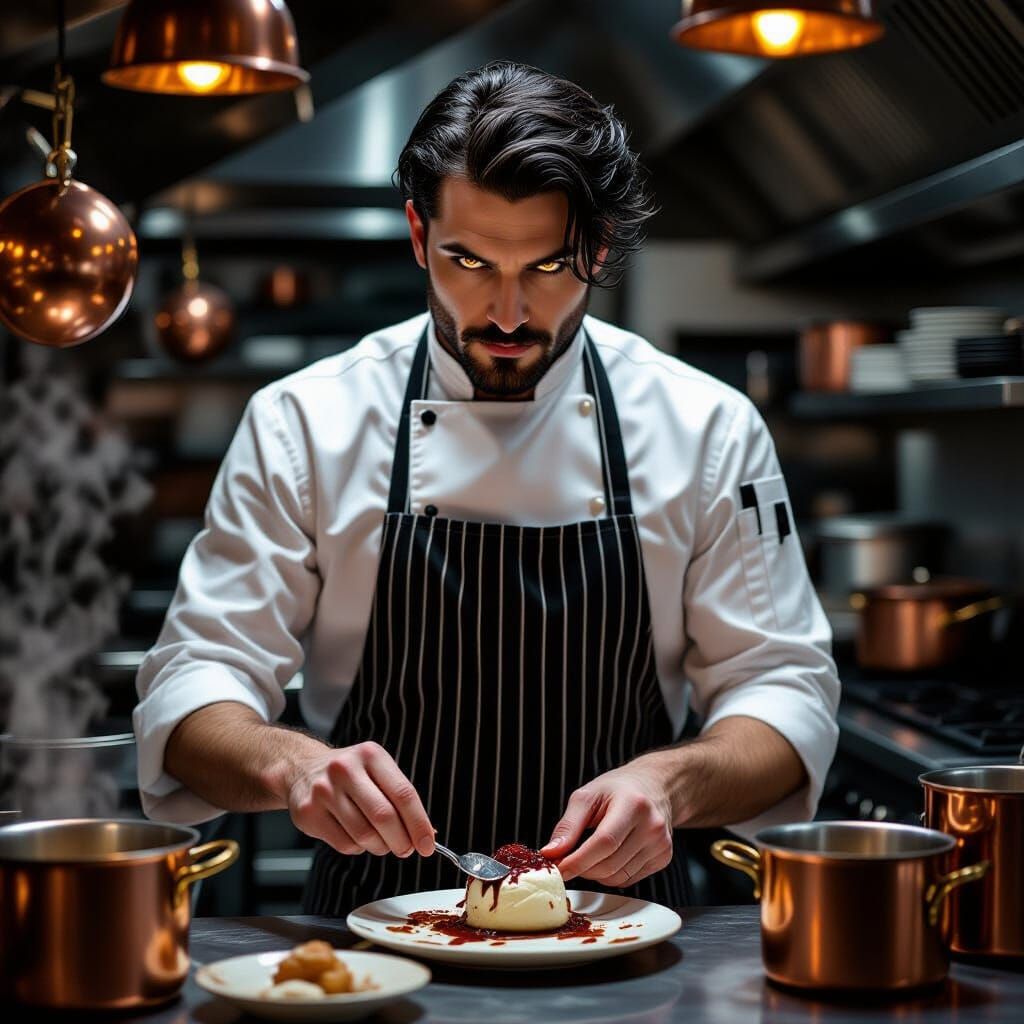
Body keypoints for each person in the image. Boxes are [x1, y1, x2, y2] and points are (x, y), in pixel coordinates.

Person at [134, 61, 839, 916]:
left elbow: (784, 691)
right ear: (417, 235)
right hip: (370, 942)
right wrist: (297, 766)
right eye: (468, 261)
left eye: (547, 268)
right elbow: (196, 681)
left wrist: (673, 781)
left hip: (625, 944)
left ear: (601, 247)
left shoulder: (707, 428)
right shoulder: (303, 423)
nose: (506, 313)